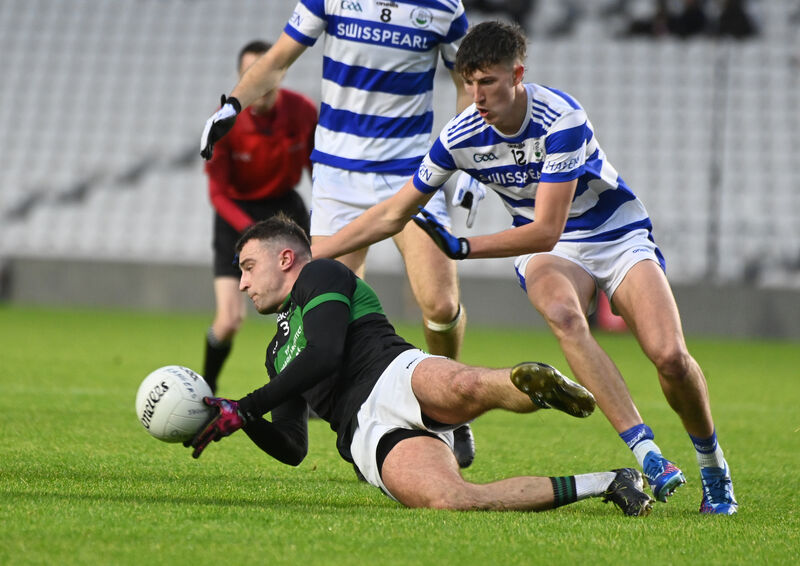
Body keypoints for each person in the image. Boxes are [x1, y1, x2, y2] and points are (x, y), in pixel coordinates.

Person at [311, 21, 738, 515]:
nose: (477, 96)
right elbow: (391, 213)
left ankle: (713, 467)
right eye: (469, 83)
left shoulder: (562, 119)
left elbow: (547, 227)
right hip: (549, 252)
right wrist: (313, 256)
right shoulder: (459, 135)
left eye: (488, 82)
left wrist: (464, 247)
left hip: (613, 235)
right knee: (563, 314)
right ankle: (649, 454)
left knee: (669, 357)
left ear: (517, 74)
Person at [185, 215, 654, 516]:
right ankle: (610, 481)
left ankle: (530, 384)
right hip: (366, 436)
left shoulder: (320, 274)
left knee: (467, 386)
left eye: (247, 267)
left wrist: (245, 407)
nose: (242, 283)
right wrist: (242, 419)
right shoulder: (274, 355)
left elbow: (326, 352)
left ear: (285, 258)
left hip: (393, 373)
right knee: (451, 500)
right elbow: (292, 448)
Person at [199, 1, 477, 466]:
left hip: (410, 175)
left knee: (442, 306)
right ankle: (360, 417)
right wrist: (233, 104)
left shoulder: (445, 8)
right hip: (337, 180)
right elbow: (277, 60)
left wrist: (465, 162)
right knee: (318, 310)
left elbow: (465, 84)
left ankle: (455, 412)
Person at [202, 40, 317, 394]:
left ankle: (309, 390)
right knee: (230, 319)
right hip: (237, 217)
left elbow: (319, 170)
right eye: (249, 75)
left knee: (306, 307)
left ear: (278, 72)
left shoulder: (303, 111)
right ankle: (206, 387)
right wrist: (252, 235)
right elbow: (217, 194)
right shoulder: (225, 123)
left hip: (286, 212)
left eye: (264, 72)